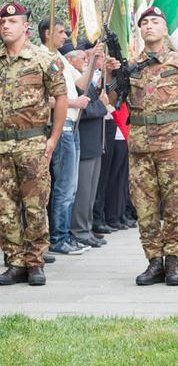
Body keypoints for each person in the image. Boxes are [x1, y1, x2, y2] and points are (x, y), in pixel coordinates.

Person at [106, 6, 178, 286]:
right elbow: (114, 101)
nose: (149, 26)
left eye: (155, 22)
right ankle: (153, 262)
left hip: (171, 141)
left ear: (164, 29)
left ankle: (173, 262)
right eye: (144, 22)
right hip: (139, 146)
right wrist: (111, 76)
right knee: (144, 206)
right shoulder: (130, 66)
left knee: (173, 204)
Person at [0, 2, 67, 286]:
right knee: (5, 207)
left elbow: (61, 97)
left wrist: (53, 138)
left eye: (12, 22)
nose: (5, 26)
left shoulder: (42, 59)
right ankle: (14, 261)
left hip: (33, 144)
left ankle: (35, 262)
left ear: (25, 27)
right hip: (3, 147)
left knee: (36, 206)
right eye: (2, 22)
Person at [39, 22, 91, 256]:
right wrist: (73, 103)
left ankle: (65, 234)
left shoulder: (59, 56)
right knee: (63, 185)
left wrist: (93, 60)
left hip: (73, 125)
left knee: (71, 186)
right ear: (48, 33)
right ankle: (58, 237)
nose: (65, 36)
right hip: (61, 126)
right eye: (61, 31)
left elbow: (81, 84)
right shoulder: (41, 57)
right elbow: (45, 99)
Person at [69, 45, 108, 249]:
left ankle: (87, 228)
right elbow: (86, 109)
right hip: (84, 141)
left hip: (94, 143)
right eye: (82, 57)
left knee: (91, 191)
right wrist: (102, 105)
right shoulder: (76, 80)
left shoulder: (88, 79)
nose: (84, 60)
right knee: (83, 191)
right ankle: (79, 230)